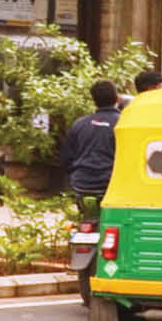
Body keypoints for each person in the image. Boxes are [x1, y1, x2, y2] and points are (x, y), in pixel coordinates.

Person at [57, 80, 122, 219]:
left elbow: (66, 158)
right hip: (111, 186)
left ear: (94, 101)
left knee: (85, 217)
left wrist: (78, 174)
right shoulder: (123, 124)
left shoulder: (79, 124)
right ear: (117, 99)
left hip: (81, 185)